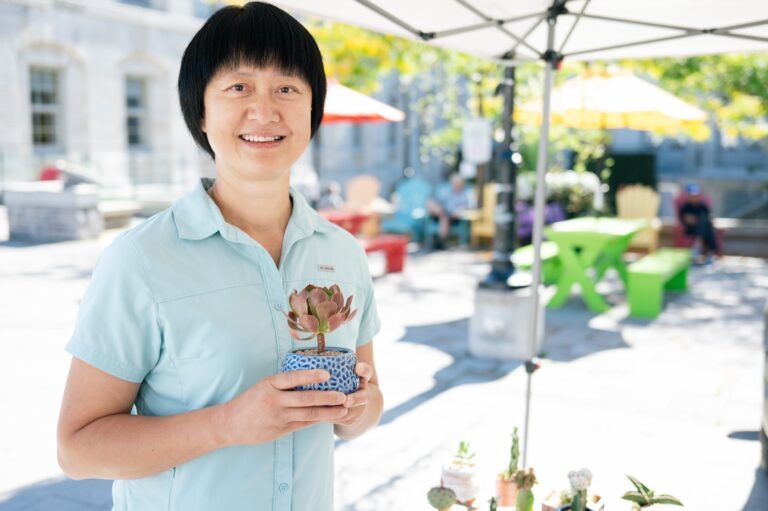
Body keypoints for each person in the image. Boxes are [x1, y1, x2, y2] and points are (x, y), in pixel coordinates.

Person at [56, 3, 383, 511]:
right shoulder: (140, 259)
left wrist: (357, 409)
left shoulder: (341, 253)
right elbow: (77, 450)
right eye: (238, 87)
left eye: (287, 88)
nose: (265, 110)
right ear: (201, 111)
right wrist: (229, 424)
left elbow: (363, 413)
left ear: (311, 110)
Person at [427, 174, 472, 249]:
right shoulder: (447, 192)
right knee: (430, 203)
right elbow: (439, 201)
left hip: (453, 217)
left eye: (458, 183)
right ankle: (439, 241)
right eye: (454, 182)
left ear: (462, 184)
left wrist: (459, 210)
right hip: (441, 212)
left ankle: (440, 240)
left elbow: (466, 207)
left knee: (444, 217)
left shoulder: (463, 195)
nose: (456, 185)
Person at [678, 182, 719, 262]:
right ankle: (710, 253)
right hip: (691, 229)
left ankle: (697, 247)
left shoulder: (702, 206)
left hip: (703, 228)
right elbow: (688, 220)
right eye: (692, 195)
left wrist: (698, 220)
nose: (694, 197)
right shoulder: (685, 207)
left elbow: (709, 217)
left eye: (695, 195)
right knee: (706, 228)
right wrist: (697, 220)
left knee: (706, 227)